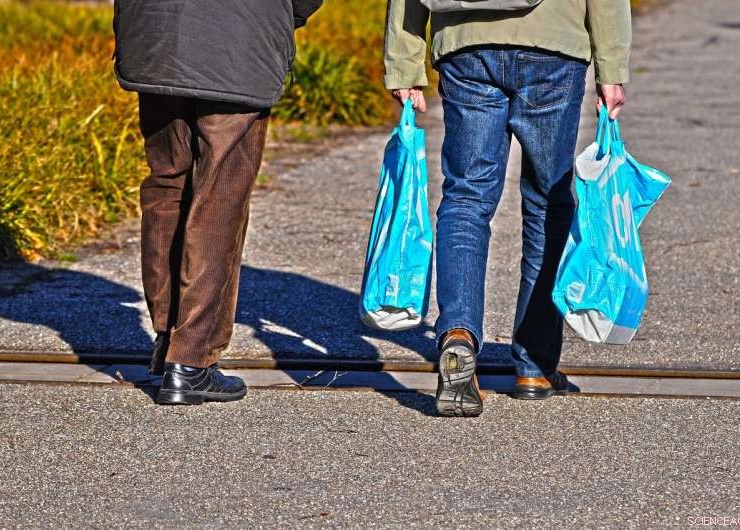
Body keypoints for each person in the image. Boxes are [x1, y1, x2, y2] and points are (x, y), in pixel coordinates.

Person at [384, 0, 631, 416]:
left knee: (466, 197)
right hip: (552, 45)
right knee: (547, 202)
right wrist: (612, 67)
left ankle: (458, 334)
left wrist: (403, 62)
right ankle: (535, 366)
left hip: (465, 42)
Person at [113, 0, 323, 405]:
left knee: (167, 186)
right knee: (219, 199)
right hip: (237, 44)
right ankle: (190, 361)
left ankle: (167, 340)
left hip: (154, 38)